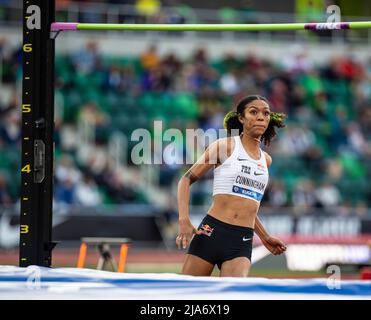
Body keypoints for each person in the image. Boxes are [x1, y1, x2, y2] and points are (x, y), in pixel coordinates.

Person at [176, 95, 287, 277]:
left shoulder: (266, 160)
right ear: (241, 118)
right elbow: (185, 180)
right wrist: (184, 220)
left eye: (266, 113)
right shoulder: (224, 147)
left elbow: (248, 205)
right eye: (254, 112)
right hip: (212, 232)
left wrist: (265, 237)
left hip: (241, 239)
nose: (261, 117)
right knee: (189, 294)